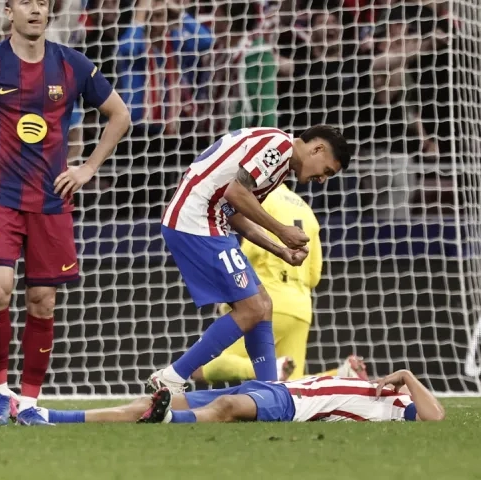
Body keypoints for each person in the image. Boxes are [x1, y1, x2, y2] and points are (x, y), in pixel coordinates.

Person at [0, 0, 131, 426]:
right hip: (2, 197)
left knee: (42, 302)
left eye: (42, 3)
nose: (35, 10)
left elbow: (119, 115)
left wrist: (88, 168)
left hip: (51, 202)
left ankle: (29, 402)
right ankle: (0, 393)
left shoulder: (72, 64)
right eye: (26, 2)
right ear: (9, 11)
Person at [149, 125, 351, 393]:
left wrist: (279, 249)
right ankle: (173, 376)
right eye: (327, 170)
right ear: (317, 149)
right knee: (252, 308)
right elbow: (236, 194)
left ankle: (268, 390)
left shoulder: (279, 164)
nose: (323, 179)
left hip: (211, 222)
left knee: (264, 305)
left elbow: (234, 211)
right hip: (195, 221)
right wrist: (282, 230)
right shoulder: (278, 147)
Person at [192, 183, 368, 384]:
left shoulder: (262, 200)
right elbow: (314, 276)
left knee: (200, 366)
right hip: (299, 307)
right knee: (291, 386)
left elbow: (251, 252)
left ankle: (267, 367)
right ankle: (342, 375)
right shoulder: (306, 210)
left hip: (262, 299)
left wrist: (227, 292)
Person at [37, 370, 446, 424]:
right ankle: (49, 415)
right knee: (150, 401)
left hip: (291, 406)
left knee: (226, 409)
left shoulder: (399, 411)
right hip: (276, 387)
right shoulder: (382, 391)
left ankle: (166, 420)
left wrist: (408, 376)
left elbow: (437, 417)